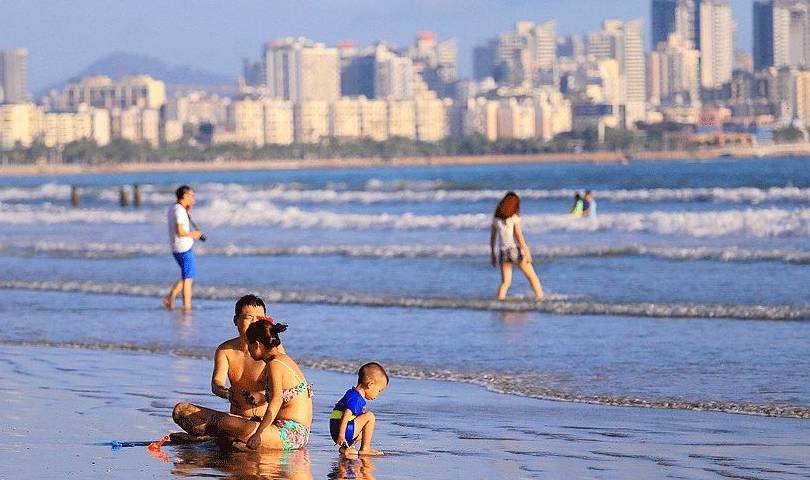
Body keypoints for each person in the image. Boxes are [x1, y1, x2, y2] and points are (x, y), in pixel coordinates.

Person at [176, 318, 313, 451]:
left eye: (249, 345)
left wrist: (259, 433)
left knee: (226, 423)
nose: (248, 350)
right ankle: (219, 441)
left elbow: (276, 401)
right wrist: (259, 398)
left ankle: (206, 440)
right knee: (182, 410)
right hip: (277, 428)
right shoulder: (282, 360)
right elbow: (283, 396)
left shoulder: (274, 364)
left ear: (257, 345)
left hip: (290, 433)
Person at [172, 295, 286, 439]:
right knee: (181, 411)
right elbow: (216, 383)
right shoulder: (225, 350)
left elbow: (285, 392)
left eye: (259, 318)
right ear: (236, 320)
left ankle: (209, 439)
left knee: (230, 435)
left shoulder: (272, 349)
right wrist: (227, 393)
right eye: (248, 317)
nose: (254, 322)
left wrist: (262, 397)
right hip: (234, 419)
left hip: (263, 423)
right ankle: (215, 438)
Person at [490, 192, 545, 300]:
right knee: (532, 277)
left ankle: (499, 302)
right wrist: (527, 251)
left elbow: (492, 239)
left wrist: (492, 254)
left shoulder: (496, 220)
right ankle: (540, 298)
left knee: (505, 282)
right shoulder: (514, 218)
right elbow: (519, 237)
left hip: (503, 251)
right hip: (515, 249)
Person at [330, 362, 388, 457]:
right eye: (379, 391)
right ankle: (365, 448)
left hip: (336, 431)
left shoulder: (352, 394)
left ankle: (347, 448)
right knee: (370, 416)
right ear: (370, 384)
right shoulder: (357, 399)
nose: (378, 395)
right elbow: (346, 415)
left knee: (364, 425)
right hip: (343, 431)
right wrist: (341, 435)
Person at [163, 185, 203, 311]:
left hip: (177, 247)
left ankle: (170, 297)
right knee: (188, 279)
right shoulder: (180, 210)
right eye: (191, 195)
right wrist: (195, 235)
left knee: (187, 275)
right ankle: (187, 307)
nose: (193, 198)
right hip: (183, 248)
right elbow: (180, 231)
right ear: (184, 195)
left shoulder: (174, 208)